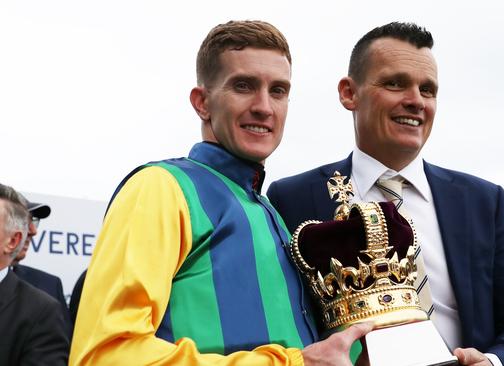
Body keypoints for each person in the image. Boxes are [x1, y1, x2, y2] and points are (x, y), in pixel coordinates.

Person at [69, 20, 371, 366]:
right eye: (243, 86)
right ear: (202, 103)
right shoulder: (159, 187)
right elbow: (105, 355)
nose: (264, 107)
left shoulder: (270, 211)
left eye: (278, 91)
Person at [267, 22, 504, 366]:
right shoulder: (293, 197)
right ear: (349, 93)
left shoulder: (481, 201)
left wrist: (494, 362)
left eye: (428, 90)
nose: (416, 101)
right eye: (395, 83)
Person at [0, 183, 69, 366]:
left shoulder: (42, 310)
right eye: (25, 221)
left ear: (12, 240)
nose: (32, 231)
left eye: (31, 221)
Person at [12, 197, 72, 336]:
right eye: (21, 220)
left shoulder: (50, 285)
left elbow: (65, 350)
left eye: (33, 221)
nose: (32, 231)